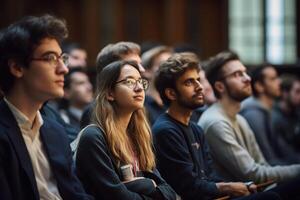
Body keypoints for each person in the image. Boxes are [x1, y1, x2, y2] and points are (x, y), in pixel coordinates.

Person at [152, 52, 281, 200]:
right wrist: (229, 188)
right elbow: (188, 187)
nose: (199, 87)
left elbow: (209, 176)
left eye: (198, 80)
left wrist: (241, 185)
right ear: (171, 93)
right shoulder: (166, 131)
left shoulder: (196, 129)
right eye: (189, 82)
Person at [0, 15, 92, 200]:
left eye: (62, 58)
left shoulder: (54, 131)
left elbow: (75, 194)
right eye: (50, 58)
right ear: (17, 67)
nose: (63, 69)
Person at [198, 51, 300, 198]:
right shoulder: (216, 122)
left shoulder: (239, 118)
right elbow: (253, 174)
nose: (247, 79)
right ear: (220, 86)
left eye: (245, 73)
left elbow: (262, 164)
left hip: (255, 191)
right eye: (237, 74)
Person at [74, 60, 178, 199]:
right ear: (110, 93)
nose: (139, 88)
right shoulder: (94, 137)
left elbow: (169, 192)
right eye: (129, 82)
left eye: (141, 81)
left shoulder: (137, 136)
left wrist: (145, 185)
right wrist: (148, 185)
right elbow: (117, 196)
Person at [240, 65, 300, 165]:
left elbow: (284, 151)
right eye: (273, 79)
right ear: (259, 86)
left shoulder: (269, 112)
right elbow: (267, 160)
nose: (279, 82)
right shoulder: (254, 115)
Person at [80, 41, 145, 128]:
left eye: (140, 64)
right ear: (110, 70)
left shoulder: (139, 107)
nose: (142, 69)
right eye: (132, 64)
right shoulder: (93, 113)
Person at [142, 45, 173, 125]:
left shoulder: (176, 103)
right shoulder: (141, 105)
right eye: (163, 64)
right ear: (147, 71)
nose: (170, 69)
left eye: (172, 65)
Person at [60, 68, 93, 136]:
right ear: (66, 93)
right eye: (81, 83)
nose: (89, 87)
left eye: (88, 82)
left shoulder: (100, 116)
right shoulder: (62, 119)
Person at [272, 74, 300, 152]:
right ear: (285, 93)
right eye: (297, 92)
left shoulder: (296, 113)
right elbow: (284, 152)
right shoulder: (275, 118)